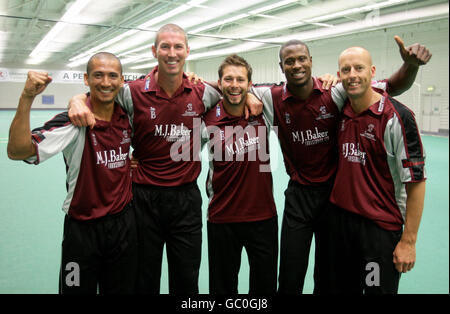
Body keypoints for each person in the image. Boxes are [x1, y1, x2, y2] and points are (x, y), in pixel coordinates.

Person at [68, 24, 261, 294]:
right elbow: (100, 95)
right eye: (165, 47)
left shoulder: (202, 92)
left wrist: (250, 94)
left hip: (186, 200)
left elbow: (234, 90)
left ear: (187, 51)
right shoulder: (131, 92)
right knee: (144, 279)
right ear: (154, 51)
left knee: (186, 279)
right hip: (143, 200)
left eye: (178, 47)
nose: (172, 53)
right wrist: (77, 99)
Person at [250, 36, 431, 294]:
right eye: (289, 61)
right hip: (308, 201)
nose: (297, 65)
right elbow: (234, 86)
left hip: (343, 208)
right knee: (294, 275)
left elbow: (393, 85)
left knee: (347, 280)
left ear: (311, 62)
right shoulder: (277, 97)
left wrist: (411, 65)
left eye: (302, 59)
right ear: (282, 67)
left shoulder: (338, 94)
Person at [7, 52, 138, 294]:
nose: (106, 82)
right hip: (82, 233)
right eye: (98, 75)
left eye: (112, 76)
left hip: (124, 228)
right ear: (86, 79)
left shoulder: (128, 115)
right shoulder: (72, 122)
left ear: (122, 81)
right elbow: (17, 151)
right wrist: (27, 97)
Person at [324, 46, 426, 294]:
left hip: (378, 234)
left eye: (359, 68)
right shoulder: (342, 111)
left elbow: (416, 181)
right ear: (339, 75)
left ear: (372, 73)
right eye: (346, 70)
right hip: (341, 226)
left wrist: (409, 241)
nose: (352, 75)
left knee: (375, 289)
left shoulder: (397, 117)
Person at [202, 54, 277, 293]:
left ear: (249, 84)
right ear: (220, 82)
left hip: (263, 218)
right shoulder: (206, 119)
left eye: (240, 80)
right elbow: (176, 150)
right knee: (222, 288)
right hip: (222, 219)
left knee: (264, 288)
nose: (235, 85)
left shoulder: (263, 112)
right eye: (229, 79)